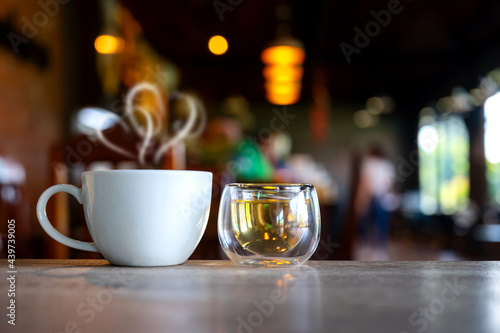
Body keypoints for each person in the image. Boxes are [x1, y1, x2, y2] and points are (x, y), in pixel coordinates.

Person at [355, 144, 395, 260]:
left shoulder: (368, 163)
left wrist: (360, 200)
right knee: (381, 225)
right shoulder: (387, 165)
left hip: (371, 197)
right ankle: (380, 250)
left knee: (367, 223)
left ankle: (367, 248)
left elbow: (364, 183)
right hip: (382, 197)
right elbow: (390, 185)